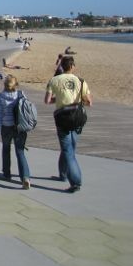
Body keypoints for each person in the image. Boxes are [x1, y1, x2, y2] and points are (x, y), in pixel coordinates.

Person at [45, 56, 92, 193]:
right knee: (69, 148)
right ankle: (64, 174)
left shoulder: (54, 80)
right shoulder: (81, 81)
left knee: (67, 150)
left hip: (63, 118)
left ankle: (75, 181)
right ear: (72, 67)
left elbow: (47, 100)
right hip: (77, 118)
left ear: (61, 67)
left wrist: (59, 98)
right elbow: (89, 102)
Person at [0, 75, 31, 189]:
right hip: (19, 127)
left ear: (5, 85)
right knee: (20, 152)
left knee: (6, 149)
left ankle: (6, 174)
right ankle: (25, 177)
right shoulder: (21, 94)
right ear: (16, 84)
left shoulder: (0, 97)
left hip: (6, 127)